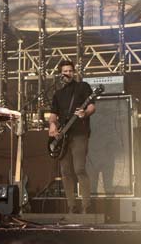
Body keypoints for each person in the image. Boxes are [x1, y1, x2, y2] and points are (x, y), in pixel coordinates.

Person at [49, 60, 96, 214]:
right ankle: (71, 207)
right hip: (63, 136)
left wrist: (85, 113)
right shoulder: (57, 94)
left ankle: (87, 206)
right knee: (65, 172)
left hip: (79, 133)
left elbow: (91, 106)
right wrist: (52, 126)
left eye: (70, 71)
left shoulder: (82, 87)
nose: (67, 73)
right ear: (60, 74)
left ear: (74, 72)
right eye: (64, 71)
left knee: (79, 169)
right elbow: (53, 114)